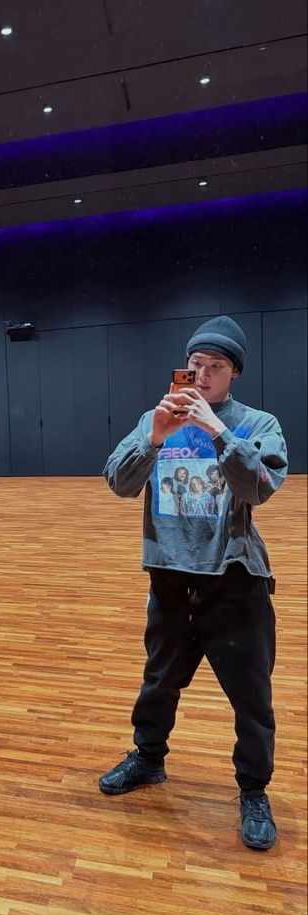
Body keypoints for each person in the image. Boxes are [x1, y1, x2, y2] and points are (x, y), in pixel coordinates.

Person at [99, 316, 287, 851]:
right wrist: (155, 438)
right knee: (158, 683)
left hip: (234, 582)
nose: (202, 375)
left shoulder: (257, 423)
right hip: (170, 580)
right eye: (195, 365)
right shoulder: (154, 418)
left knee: (251, 698)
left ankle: (253, 790)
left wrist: (217, 432)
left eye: (216, 366)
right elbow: (118, 482)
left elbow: (259, 487)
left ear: (234, 372)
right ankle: (148, 759)